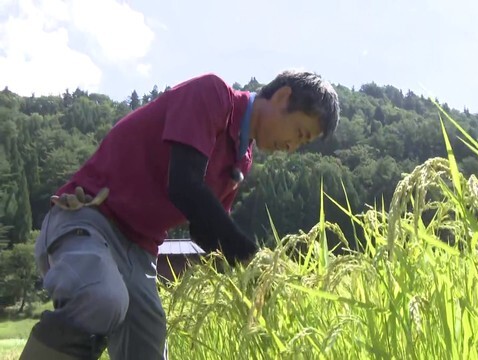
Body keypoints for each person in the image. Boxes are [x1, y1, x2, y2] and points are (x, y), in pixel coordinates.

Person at [19, 69, 340, 360]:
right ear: (283, 97)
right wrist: (249, 254)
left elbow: (205, 230)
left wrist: (254, 279)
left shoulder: (241, 161)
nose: (292, 146)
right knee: (102, 298)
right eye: (299, 132)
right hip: (88, 220)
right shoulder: (213, 95)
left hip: (140, 250)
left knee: (149, 342)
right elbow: (184, 185)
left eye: (303, 143)